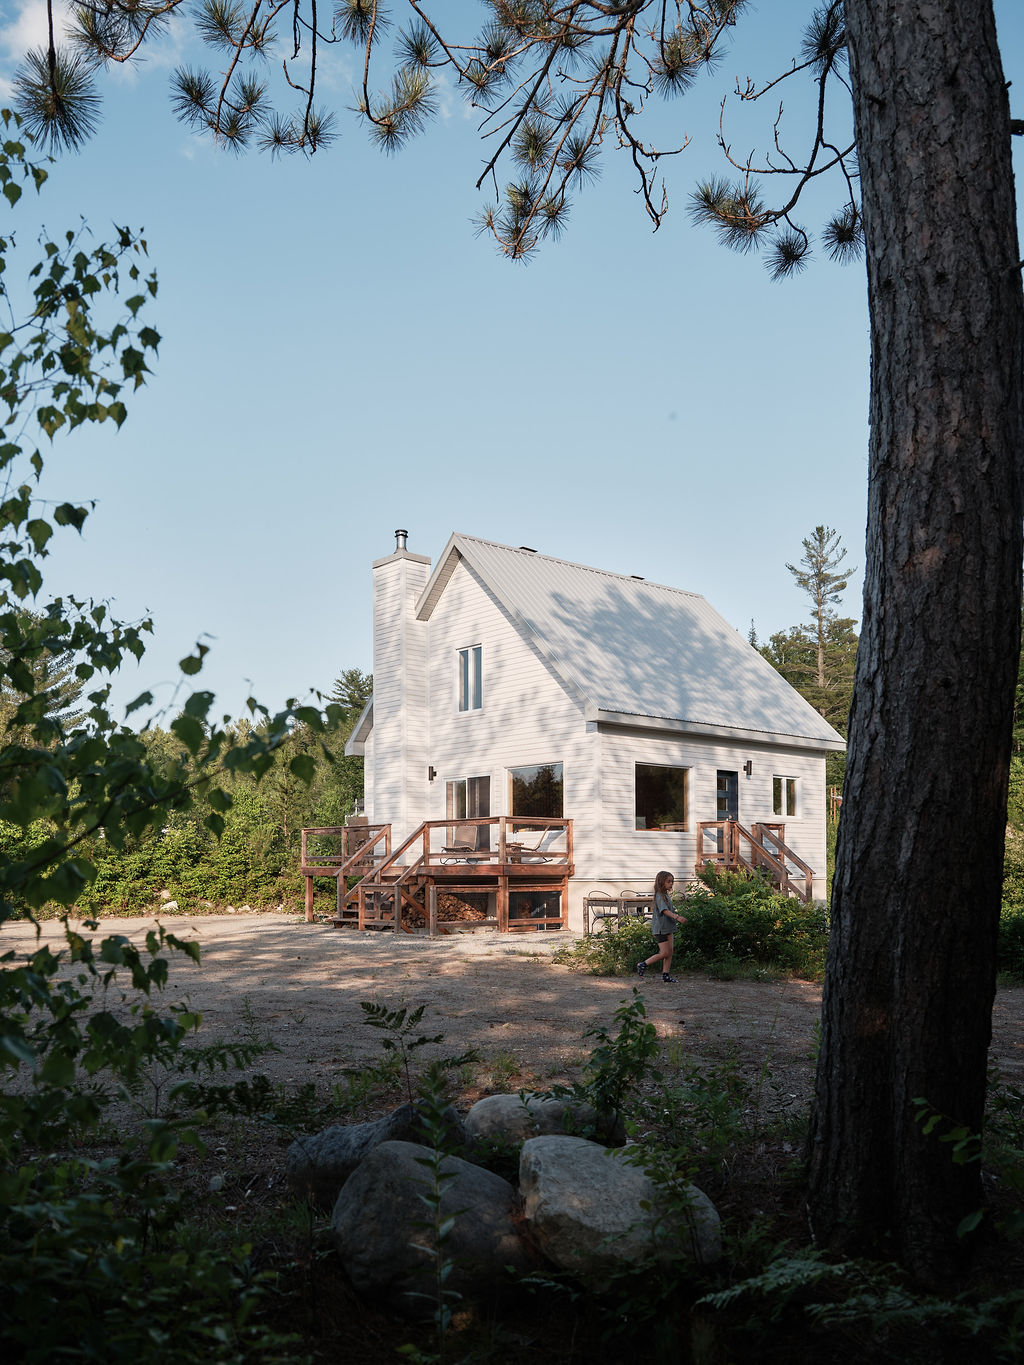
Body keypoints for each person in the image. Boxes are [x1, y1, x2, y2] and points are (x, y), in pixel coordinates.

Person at [637, 870, 687, 984]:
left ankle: (666, 975)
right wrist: (677, 917)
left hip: (668, 927)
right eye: (668, 881)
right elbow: (664, 910)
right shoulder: (659, 896)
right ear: (661, 882)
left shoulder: (665, 895)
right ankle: (642, 965)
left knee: (670, 952)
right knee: (664, 953)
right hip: (660, 929)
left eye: (672, 882)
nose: (671, 884)